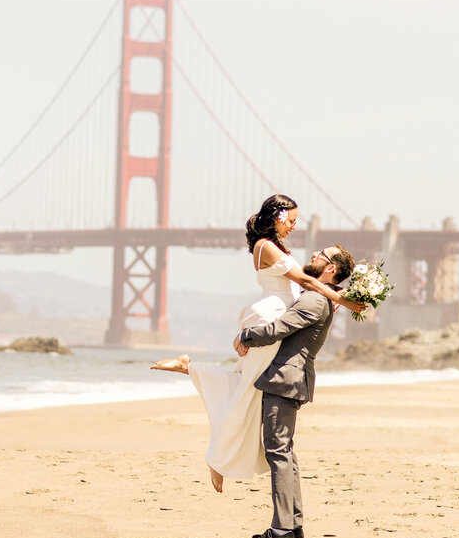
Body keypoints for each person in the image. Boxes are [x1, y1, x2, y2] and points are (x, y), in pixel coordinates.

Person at [151, 194, 363, 493]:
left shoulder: (277, 247)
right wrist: (344, 299)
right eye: (290, 221)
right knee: (246, 393)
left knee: (244, 385)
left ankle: (189, 368)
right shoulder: (265, 246)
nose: (293, 226)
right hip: (269, 319)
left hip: (275, 317)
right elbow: (305, 282)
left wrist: (336, 298)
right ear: (276, 217)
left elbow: (306, 286)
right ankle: (217, 457)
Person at [234, 243, 355, 538]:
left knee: (278, 452)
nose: (313, 255)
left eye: (320, 255)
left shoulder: (315, 299)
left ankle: (283, 528)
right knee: (284, 451)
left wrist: (244, 336)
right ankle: (292, 525)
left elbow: (279, 329)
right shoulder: (319, 297)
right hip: (291, 378)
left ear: (331, 269)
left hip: (285, 379)